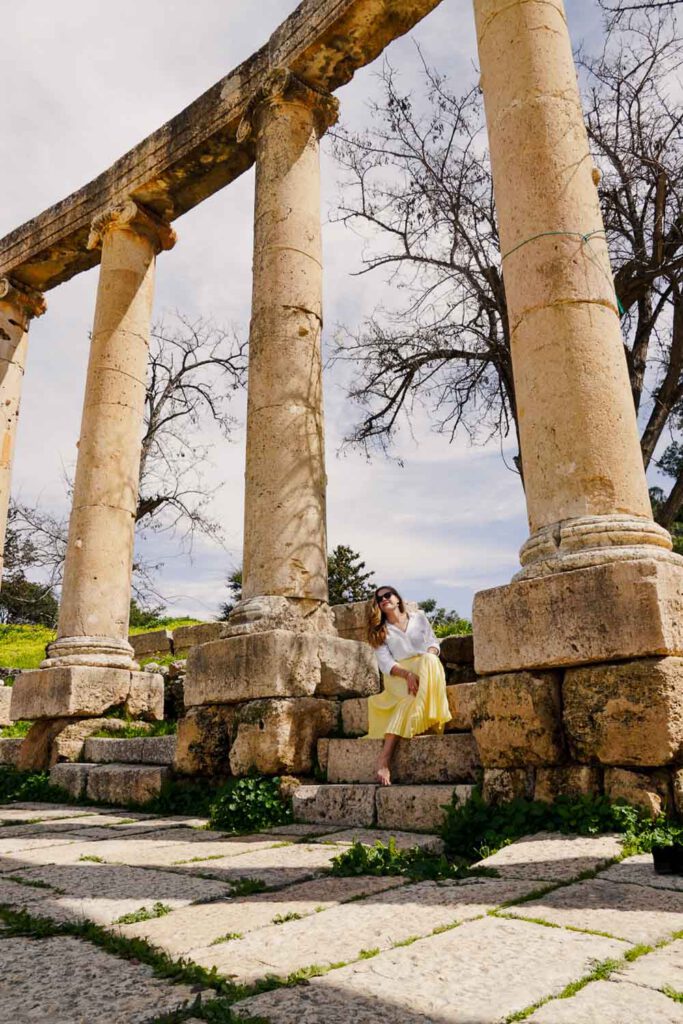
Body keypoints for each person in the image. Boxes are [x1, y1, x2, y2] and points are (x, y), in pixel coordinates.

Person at [366, 585, 451, 785]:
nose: (384, 599)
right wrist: (407, 674)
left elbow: (433, 642)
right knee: (408, 699)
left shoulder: (419, 617)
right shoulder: (380, 631)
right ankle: (384, 760)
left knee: (430, 661)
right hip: (398, 674)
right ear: (378, 606)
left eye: (388, 595)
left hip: (425, 665)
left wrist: (429, 657)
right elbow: (385, 663)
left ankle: (388, 755)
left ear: (397, 598)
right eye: (380, 599)